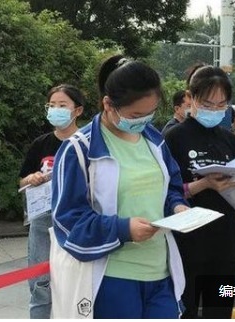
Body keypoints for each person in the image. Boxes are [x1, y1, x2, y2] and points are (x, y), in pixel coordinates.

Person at [50, 55, 189, 319]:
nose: (144, 120)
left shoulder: (155, 142)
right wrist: (123, 229)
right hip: (112, 279)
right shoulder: (78, 150)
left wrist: (178, 205)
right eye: (136, 114)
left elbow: (171, 185)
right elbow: (68, 221)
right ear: (108, 104)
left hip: (161, 273)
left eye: (150, 113)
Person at [165, 65, 235, 319]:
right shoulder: (173, 138)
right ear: (191, 98)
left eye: (222, 105)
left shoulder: (229, 139)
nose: (215, 111)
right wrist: (204, 184)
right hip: (190, 245)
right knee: (186, 311)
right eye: (208, 104)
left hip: (226, 243)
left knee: (219, 311)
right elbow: (166, 192)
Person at [18, 84, 85, 318]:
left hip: (76, 223)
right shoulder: (41, 143)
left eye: (62, 105)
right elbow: (21, 181)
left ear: (77, 111)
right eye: (51, 105)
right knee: (40, 286)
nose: (56, 110)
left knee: (76, 285)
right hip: (42, 223)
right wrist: (31, 178)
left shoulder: (87, 142)